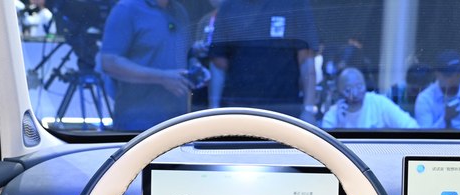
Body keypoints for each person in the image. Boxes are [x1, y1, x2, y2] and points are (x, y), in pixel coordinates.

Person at [209, 0, 319, 121]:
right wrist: (213, 110)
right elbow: (218, 64)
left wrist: (309, 111)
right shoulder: (229, 6)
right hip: (238, 111)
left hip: (283, 113)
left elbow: (306, 60)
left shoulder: (295, 3)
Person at [100, 0, 191, 131]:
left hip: (177, 121)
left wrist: (195, 65)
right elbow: (109, 63)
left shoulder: (179, 11)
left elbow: (181, 54)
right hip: (138, 122)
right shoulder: (126, 9)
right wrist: (162, 78)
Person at [321, 67, 418, 129]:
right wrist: (340, 126)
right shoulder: (332, 115)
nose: (355, 93)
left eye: (359, 86)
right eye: (348, 90)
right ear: (339, 92)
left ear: (365, 85)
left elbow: (411, 126)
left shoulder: (379, 103)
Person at [415, 50, 460, 129]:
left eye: (459, 73)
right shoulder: (425, 99)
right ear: (438, 74)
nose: (455, 79)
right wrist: (445, 119)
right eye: (449, 75)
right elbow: (424, 134)